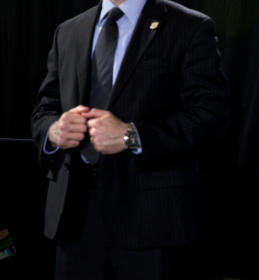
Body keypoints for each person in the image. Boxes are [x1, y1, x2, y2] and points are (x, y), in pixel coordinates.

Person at [31, 0, 230, 279]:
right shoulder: (68, 31)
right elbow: (45, 109)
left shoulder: (190, 27)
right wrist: (54, 130)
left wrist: (132, 136)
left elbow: (211, 117)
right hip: (73, 220)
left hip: (150, 223)